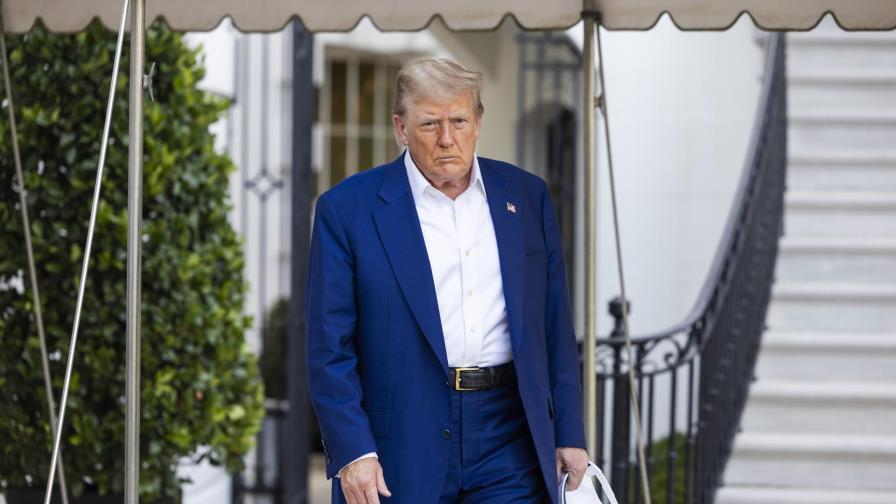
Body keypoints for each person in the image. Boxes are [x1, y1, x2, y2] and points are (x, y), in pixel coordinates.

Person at [306, 58, 588, 504]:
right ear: (401, 128)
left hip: (508, 434)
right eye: (429, 124)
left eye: (458, 120)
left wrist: (570, 431)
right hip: (398, 440)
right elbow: (329, 348)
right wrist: (352, 451)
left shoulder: (527, 197)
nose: (446, 139)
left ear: (477, 121)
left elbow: (553, 324)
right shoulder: (346, 210)